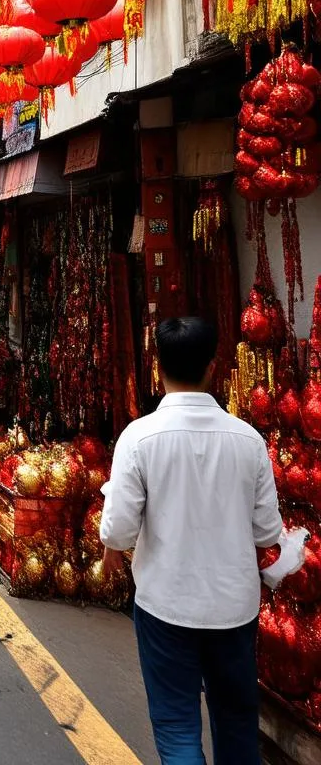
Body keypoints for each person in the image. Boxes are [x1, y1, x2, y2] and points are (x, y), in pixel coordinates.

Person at [101, 317, 283, 764]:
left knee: (178, 725)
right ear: (214, 367)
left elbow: (119, 530)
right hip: (233, 609)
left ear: (157, 365)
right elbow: (267, 532)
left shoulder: (139, 438)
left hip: (167, 607)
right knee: (237, 722)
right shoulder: (249, 441)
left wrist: (110, 551)